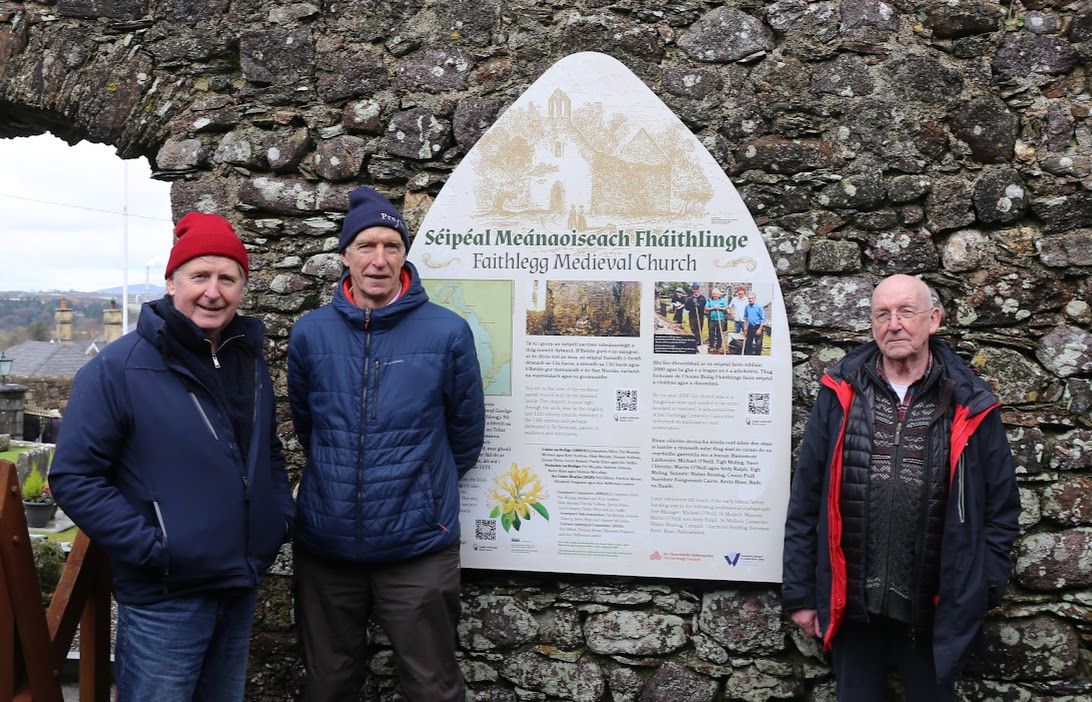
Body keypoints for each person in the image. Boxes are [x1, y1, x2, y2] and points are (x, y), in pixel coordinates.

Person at [50, 212, 294, 701]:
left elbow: (266, 449)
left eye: (227, 278)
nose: (213, 292)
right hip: (166, 598)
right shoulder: (117, 368)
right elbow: (75, 476)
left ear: (243, 287)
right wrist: (155, 550)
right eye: (199, 276)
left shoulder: (248, 361)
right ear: (171, 282)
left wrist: (277, 517)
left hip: (237, 582)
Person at [288, 186, 486, 702]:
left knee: (431, 685)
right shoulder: (310, 333)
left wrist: (422, 495)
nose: (379, 259)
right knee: (327, 684)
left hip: (416, 546)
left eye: (391, 246)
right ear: (345, 256)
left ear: (404, 255)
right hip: (327, 545)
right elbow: (310, 428)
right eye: (366, 246)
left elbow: (465, 435)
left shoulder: (447, 332)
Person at [782, 274, 1020, 701]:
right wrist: (801, 594)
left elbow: (1001, 509)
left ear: (934, 319)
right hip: (852, 606)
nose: (894, 325)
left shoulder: (970, 401)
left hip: (934, 608)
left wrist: (980, 587)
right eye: (882, 314)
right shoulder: (840, 392)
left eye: (906, 312)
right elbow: (806, 498)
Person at [705, 288, 727, 353]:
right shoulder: (709, 300)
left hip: (721, 319)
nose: (715, 295)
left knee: (719, 333)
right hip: (712, 320)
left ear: (719, 295)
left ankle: (718, 347)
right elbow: (706, 308)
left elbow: (726, 308)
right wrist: (713, 308)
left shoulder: (723, 300)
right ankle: (711, 346)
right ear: (712, 295)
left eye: (716, 294)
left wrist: (720, 308)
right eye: (714, 294)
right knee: (711, 333)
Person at [685, 282, 707, 347]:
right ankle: (696, 339)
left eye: (697, 289)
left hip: (699, 316)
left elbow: (703, 305)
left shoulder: (702, 297)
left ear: (699, 289)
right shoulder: (690, 298)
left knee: (699, 328)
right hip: (692, 316)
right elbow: (687, 307)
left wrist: (697, 304)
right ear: (693, 290)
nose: (695, 290)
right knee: (693, 328)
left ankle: (698, 341)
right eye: (694, 289)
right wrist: (692, 301)